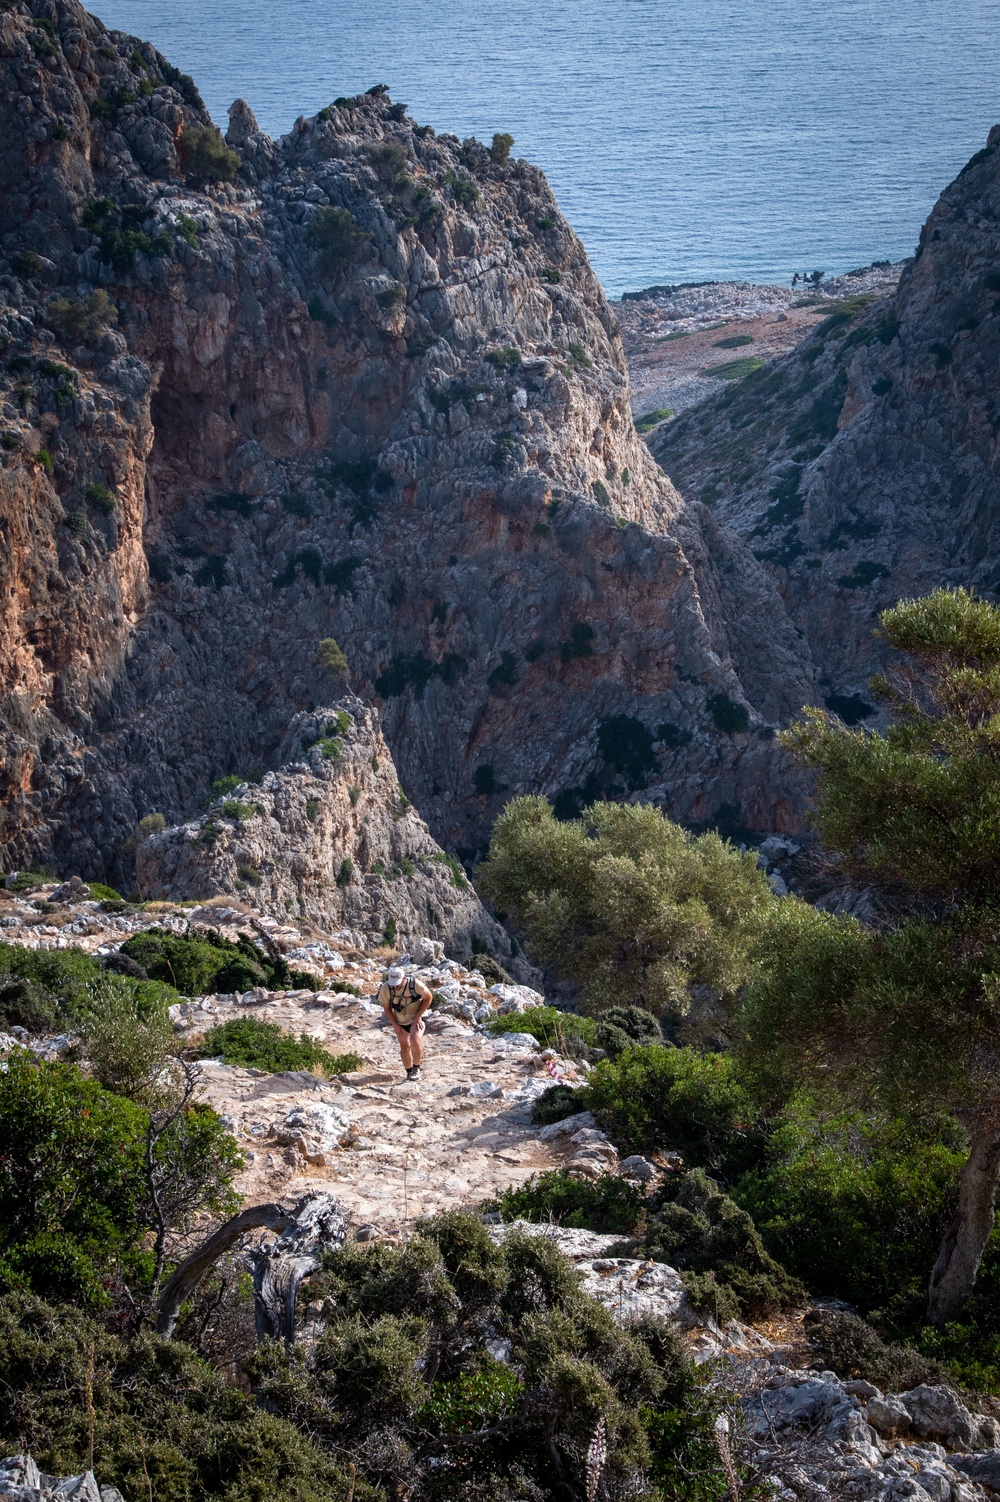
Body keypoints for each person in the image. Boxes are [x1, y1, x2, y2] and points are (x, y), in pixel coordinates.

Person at [378, 964, 433, 1081]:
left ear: (404, 979)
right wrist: (395, 1025)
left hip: (415, 1018)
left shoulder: (414, 984)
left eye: (398, 983)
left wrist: (418, 1016)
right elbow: (386, 1008)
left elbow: (428, 997)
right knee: (405, 1045)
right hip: (400, 1020)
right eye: (394, 983)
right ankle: (409, 1072)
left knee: (415, 1040)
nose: (396, 986)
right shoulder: (386, 988)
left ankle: (416, 1068)